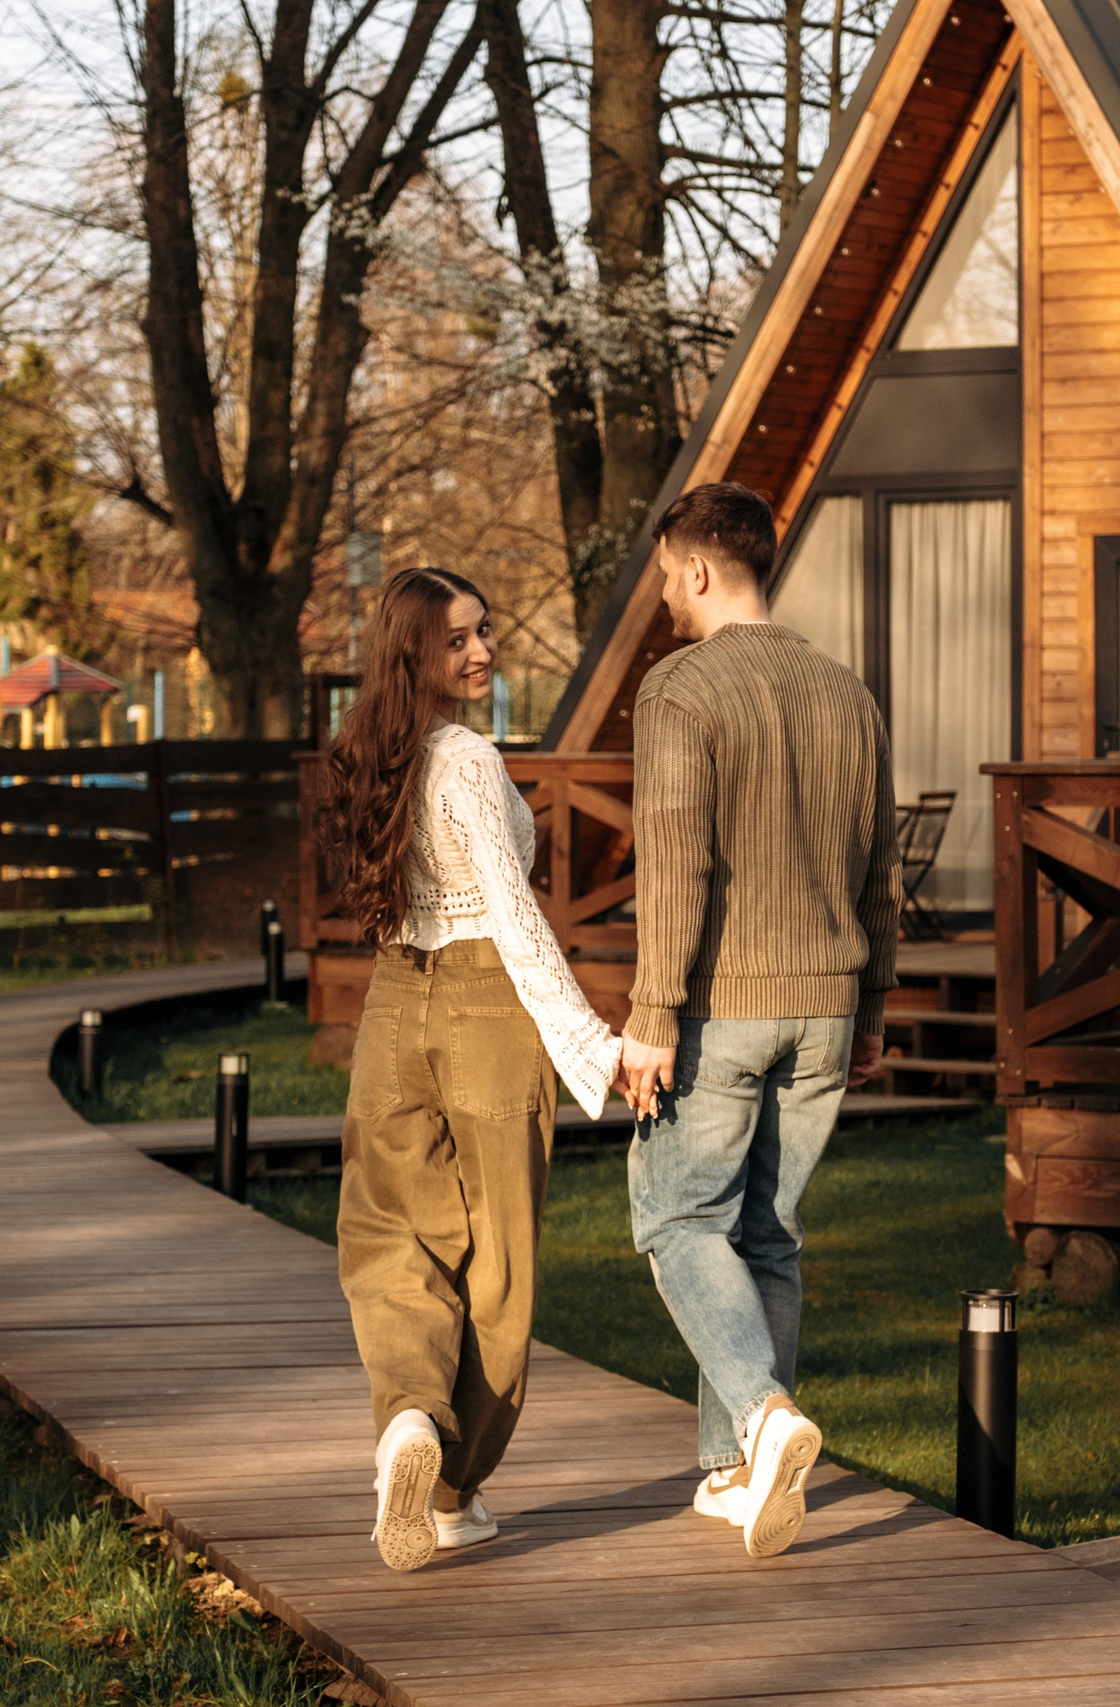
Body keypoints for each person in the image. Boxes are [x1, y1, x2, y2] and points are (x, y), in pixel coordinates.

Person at [315, 566, 625, 1573]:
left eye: (483, 632)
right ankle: (450, 1485)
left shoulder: (364, 752)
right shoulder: (470, 760)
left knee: (387, 1231)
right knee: (498, 1258)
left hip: (395, 1002)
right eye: (458, 640)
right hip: (489, 1006)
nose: (483, 651)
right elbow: (515, 918)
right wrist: (593, 1047)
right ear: (415, 652)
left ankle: (407, 1414)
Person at [615, 482, 896, 1560]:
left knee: (677, 1221)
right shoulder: (847, 692)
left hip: (722, 1008)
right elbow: (882, 877)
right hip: (827, 1005)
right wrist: (871, 1007)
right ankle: (740, 1474)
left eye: (664, 580)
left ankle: (764, 1419)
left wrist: (650, 1017)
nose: (665, 602)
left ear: (693, 569)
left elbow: (677, 865)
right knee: (766, 1236)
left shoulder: (678, 689)